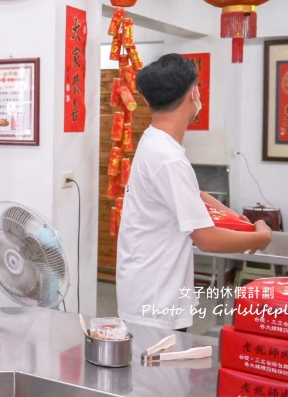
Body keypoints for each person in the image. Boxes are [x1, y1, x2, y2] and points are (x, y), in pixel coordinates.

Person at [116, 53, 272, 330]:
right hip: (156, 301)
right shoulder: (168, 158)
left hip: (148, 288)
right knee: (159, 372)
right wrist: (260, 237)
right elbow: (207, 239)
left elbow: (192, 193)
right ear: (194, 93)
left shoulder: (155, 141)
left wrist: (232, 217)